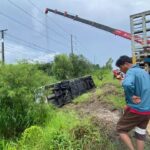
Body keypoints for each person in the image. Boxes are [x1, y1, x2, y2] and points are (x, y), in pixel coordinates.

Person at [115, 55, 150, 150]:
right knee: (140, 133)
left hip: (138, 109)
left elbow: (126, 84)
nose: (121, 70)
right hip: (148, 110)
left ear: (126, 64)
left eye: (120, 67)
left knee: (120, 129)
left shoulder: (131, 71)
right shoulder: (145, 72)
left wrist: (132, 97)